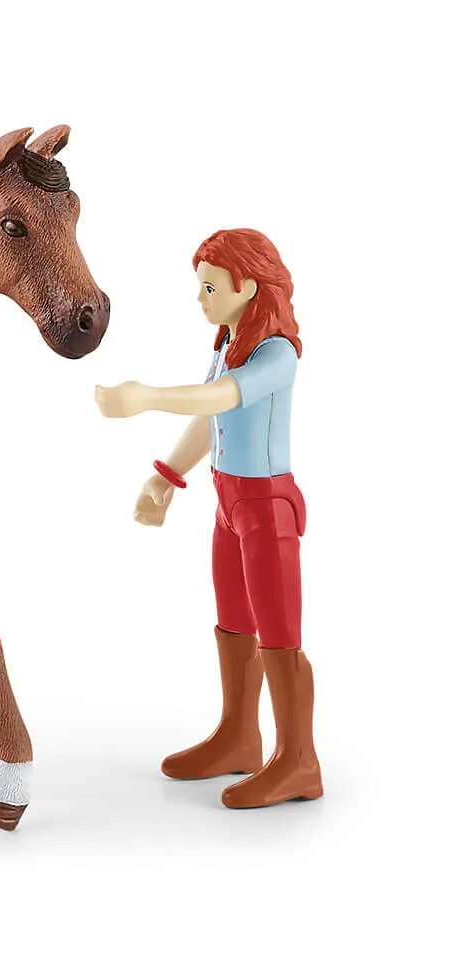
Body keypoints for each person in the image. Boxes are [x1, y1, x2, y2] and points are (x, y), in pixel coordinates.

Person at [94, 228, 322, 808]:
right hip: (229, 505)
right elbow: (212, 421)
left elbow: (222, 399)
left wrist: (146, 396)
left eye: (211, 287)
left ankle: (299, 760)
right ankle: (240, 736)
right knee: (234, 622)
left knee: (279, 634)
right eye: (200, 286)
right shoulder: (228, 343)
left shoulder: (278, 353)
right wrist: (167, 475)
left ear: (249, 286)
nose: (200, 298)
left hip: (266, 508)